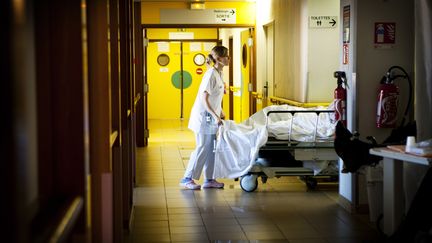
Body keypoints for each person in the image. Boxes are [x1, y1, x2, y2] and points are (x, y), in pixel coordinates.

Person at [180, 45, 230, 190]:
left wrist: (220, 112)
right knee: (202, 146)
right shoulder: (210, 75)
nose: (229, 59)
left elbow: (216, 98)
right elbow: (204, 98)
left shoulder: (219, 74)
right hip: (204, 117)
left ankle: (209, 179)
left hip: (212, 117)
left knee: (212, 148)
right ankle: (187, 178)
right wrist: (215, 116)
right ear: (219, 59)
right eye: (227, 56)